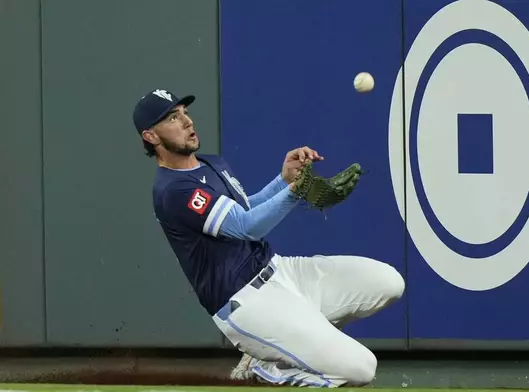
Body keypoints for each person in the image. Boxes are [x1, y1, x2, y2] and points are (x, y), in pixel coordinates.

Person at [132, 88, 405, 387]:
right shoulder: (172, 190)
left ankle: (275, 348)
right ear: (152, 137)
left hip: (281, 272)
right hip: (247, 303)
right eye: (173, 117)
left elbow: (245, 208)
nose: (186, 121)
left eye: (184, 111)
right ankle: (267, 366)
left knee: (388, 282)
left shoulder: (210, 164)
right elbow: (245, 227)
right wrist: (296, 190)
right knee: (361, 369)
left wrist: (283, 180)